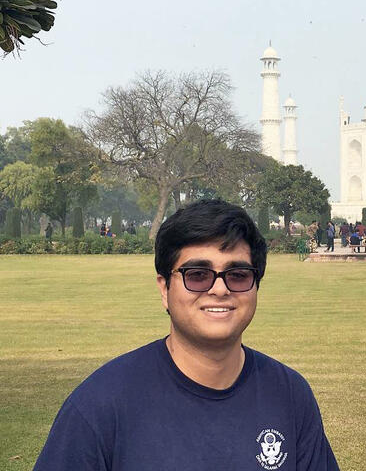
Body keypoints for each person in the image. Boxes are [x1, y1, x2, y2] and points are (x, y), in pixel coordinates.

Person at [33, 199, 340, 471]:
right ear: (164, 289)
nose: (219, 289)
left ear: (256, 285)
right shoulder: (101, 406)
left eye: (238, 275)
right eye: (197, 275)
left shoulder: (289, 395)